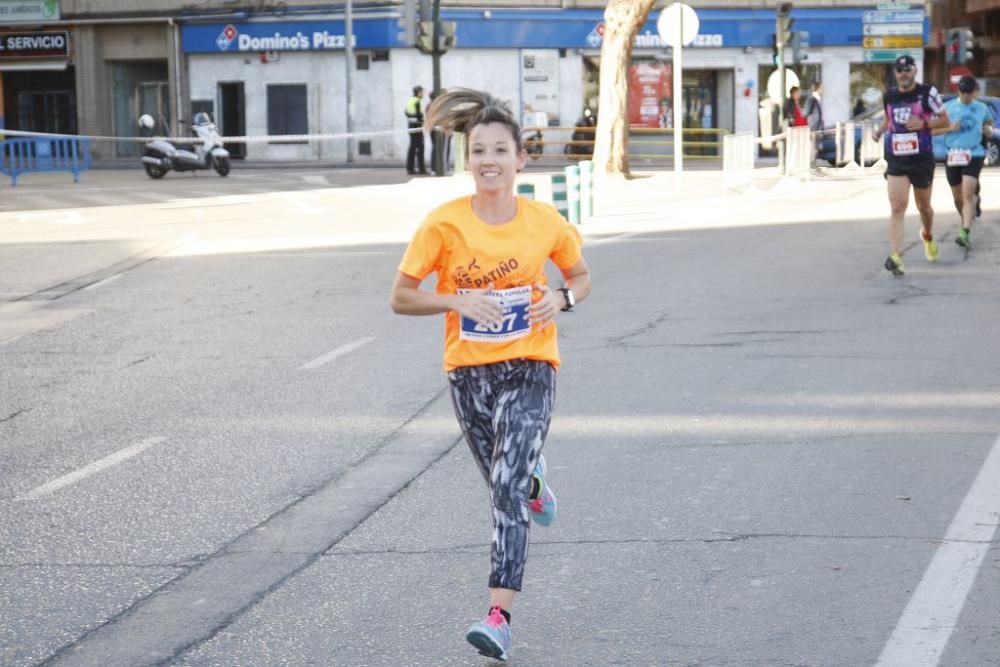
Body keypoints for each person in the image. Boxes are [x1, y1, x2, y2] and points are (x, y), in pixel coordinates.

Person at [389, 87, 592, 662]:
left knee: (503, 488)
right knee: (502, 481)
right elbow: (401, 297)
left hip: (531, 364)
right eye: (478, 150)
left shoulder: (544, 222)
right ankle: (533, 481)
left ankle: (498, 616)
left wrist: (563, 300)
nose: (488, 160)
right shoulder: (443, 226)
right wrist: (456, 303)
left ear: (519, 160)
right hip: (467, 374)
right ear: (468, 158)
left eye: (500, 149)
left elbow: (580, 278)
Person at [872, 55, 950, 276]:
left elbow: (944, 119)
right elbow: (888, 119)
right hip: (896, 157)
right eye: (899, 70)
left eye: (907, 69)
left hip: (921, 157)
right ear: (895, 73)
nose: (903, 73)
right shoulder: (890, 95)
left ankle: (927, 234)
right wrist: (879, 131)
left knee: (923, 207)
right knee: (897, 206)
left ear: (914, 71)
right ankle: (896, 256)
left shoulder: (927, 93)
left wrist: (923, 123)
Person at [936, 75, 991, 249]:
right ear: (958, 91)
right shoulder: (948, 107)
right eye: (963, 92)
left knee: (967, 194)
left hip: (974, 153)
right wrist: (950, 128)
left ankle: (965, 232)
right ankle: (965, 218)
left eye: (969, 92)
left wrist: (987, 129)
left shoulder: (981, 107)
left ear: (974, 91)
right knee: (958, 197)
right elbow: (934, 130)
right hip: (953, 154)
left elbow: (988, 122)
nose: (966, 96)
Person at [405, 85, 428, 175]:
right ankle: (422, 169)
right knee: (420, 148)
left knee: (412, 148)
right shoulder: (417, 102)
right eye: (422, 92)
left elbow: (406, 113)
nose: (423, 94)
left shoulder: (410, 100)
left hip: (410, 126)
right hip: (417, 127)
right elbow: (420, 116)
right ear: (418, 92)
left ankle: (410, 168)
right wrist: (424, 122)